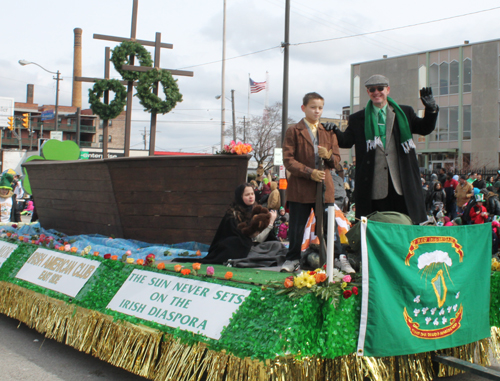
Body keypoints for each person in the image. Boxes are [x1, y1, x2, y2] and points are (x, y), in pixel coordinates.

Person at [327, 75, 439, 224]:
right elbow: (346, 141)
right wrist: (334, 130)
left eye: (380, 88)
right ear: (368, 92)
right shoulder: (358, 118)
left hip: (401, 183)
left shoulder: (404, 113)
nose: (376, 92)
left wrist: (431, 110)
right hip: (374, 185)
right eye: (372, 89)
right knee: (377, 226)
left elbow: (425, 128)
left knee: (406, 224)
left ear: (388, 90)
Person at [282, 92, 342, 272]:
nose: (317, 111)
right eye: (313, 107)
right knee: (296, 228)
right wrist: (309, 173)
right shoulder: (294, 130)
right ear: (304, 108)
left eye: (320, 108)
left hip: (324, 188)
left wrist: (329, 156)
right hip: (300, 189)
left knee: (329, 228)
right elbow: (288, 160)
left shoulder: (328, 131)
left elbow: (337, 160)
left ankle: (338, 258)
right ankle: (292, 259)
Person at [185, 183, 286, 266]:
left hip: (256, 246)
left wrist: (268, 223)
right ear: (240, 197)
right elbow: (250, 238)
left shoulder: (258, 210)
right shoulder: (233, 214)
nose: (251, 197)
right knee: (235, 242)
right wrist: (270, 224)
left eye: (252, 194)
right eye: (247, 195)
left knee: (276, 245)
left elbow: (264, 238)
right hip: (243, 248)